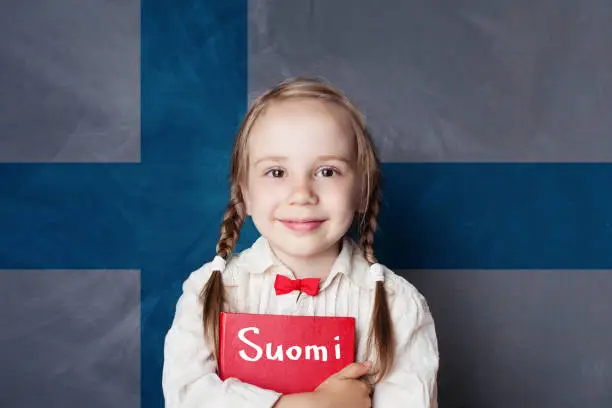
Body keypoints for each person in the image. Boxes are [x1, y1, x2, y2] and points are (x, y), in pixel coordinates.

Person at [162, 77, 439, 408]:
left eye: (327, 171)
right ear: (244, 194)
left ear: (362, 190)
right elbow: (187, 396)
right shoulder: (209, 290)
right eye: (277, 172)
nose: (302, 194)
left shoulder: (398, 305)